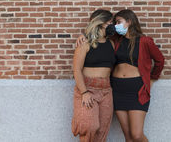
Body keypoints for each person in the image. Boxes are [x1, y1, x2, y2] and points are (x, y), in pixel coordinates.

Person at [76, 9, 165, 142]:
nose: (115, 25)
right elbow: (97, 36)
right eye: (114, 22)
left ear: (129, 22)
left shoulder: (145, 41)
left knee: (136, 135)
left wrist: (153, 78)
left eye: (118, 22)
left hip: (136, 89)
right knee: (128, 136)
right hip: (117, 89)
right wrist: (82, 35)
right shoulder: (115, 40)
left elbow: (160, 60)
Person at [71, 9, 116, 142]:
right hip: (88, 88)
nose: (112, 26)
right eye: (109, 23)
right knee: (90, 126)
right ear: (100, 23)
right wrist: (84, 92)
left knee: (102, 130)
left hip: (106, 91)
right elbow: (77, 70)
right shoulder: (84, 43)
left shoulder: (111, 44)